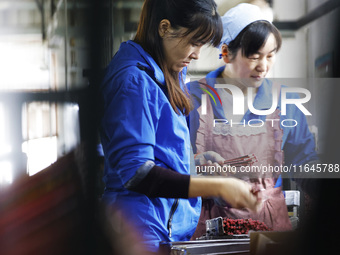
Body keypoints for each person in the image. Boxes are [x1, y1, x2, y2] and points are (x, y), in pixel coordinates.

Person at [99, 0, 262, 252]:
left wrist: (195, 162)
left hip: (163, 230)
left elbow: (160, 155)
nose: (197, 54)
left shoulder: (167, 75)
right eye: (194, 42)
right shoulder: (134, 81)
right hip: (138, 232)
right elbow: (137, 173)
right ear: (164, 28)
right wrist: (220, 186)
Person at [188, 3, 319, 239]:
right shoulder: (191, 99)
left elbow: (304, 161)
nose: (264, 67)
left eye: (270, 56)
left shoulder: (285, 101)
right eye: (254, 57)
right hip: (209, 230)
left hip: (271, 229)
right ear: (226, 53)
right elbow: (173, 166)